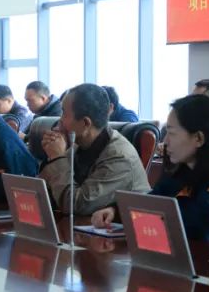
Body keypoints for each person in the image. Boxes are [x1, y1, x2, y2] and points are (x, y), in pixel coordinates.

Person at [93, 94, 209, 242]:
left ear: (198, 138)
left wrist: (139, 216)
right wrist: (116, 211)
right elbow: (155, 200)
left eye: (172, 133)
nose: (165, 141)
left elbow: (199, 226)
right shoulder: (184, 164)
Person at [39, 83, 149, 215]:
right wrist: (52, 155)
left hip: (123, 227)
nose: (60, 120)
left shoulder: (119, 157)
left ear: (85, 123)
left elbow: (76, 205)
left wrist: (57, 158)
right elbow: (42, 195)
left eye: (64, 114)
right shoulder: (77, 145)